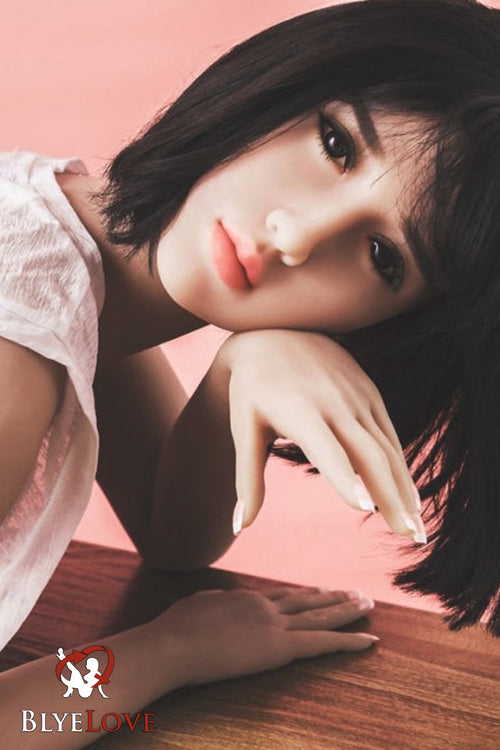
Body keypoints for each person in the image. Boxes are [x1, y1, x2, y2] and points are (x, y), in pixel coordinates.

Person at [0, 0, 499, 745]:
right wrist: (166, 653)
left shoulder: (67, 245)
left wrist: (242, 366)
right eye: (335, 143)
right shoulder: (20, 335)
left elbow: (174, 540)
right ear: (280, 84)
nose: (294, 236)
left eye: (383, 258)